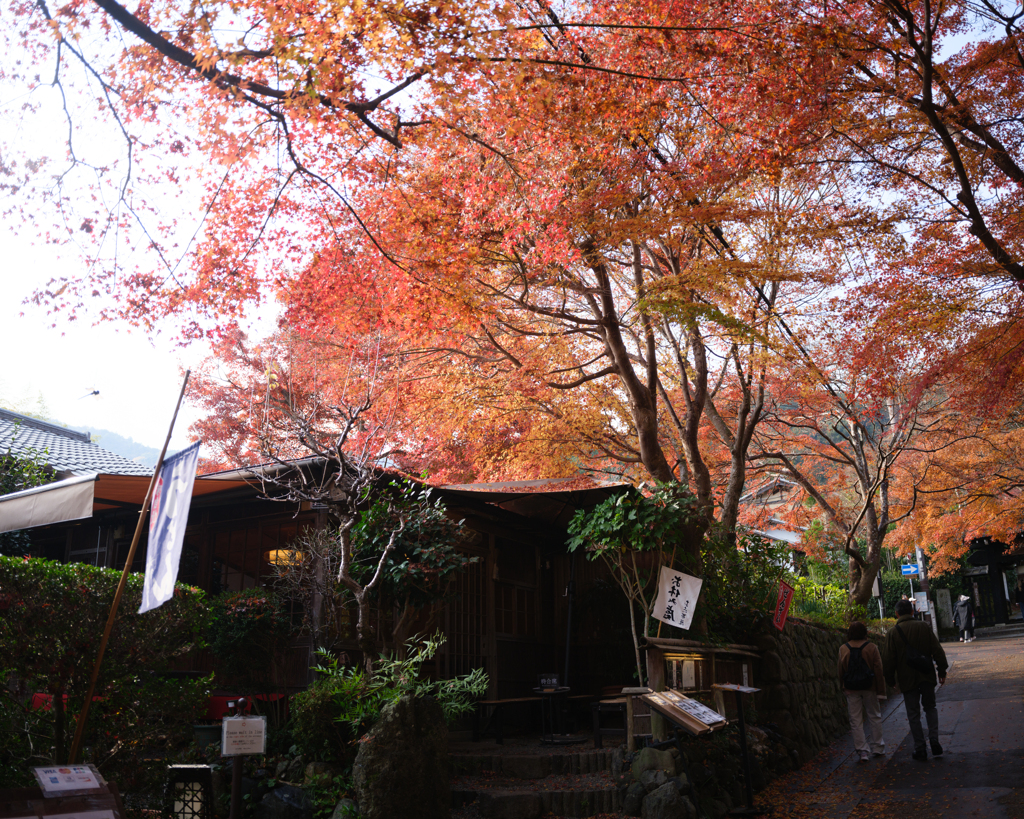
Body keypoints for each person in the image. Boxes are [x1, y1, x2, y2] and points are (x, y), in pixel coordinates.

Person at [883, 599, 949, 761]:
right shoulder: (923, 627)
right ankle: (934, 738)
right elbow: (937, 650)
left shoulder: (893, 632)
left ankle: (920, 747)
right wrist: (941, 670)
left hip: (907, 678)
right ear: (913, 612)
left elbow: (888, 659)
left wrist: (890, 679)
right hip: (926, 674)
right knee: (930, 707)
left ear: (897, 614)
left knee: (913, 713)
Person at [837, 621, 886, 762]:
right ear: (865, 632)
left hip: (851, 688)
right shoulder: (872, 647)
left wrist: (842, 686)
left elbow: (840, 671)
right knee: (874, 716)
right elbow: (878, 670)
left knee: (855, 720)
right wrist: (881, 691)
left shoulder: (843, 649)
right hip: (869, 687)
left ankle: (862, 751)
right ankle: (878, 747)